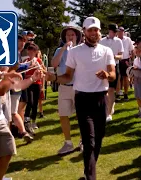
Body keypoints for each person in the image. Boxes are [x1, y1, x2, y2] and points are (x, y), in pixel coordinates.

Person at [46, 16, 116, 180]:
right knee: (88, 141)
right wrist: (54, 78)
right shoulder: (75, 52)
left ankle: (87, 172)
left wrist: (107, 74)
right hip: (82, 99)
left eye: (96, 30)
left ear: (99, 32)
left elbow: (113, 74)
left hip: (100, 99)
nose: (93, 33)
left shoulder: (107, 51)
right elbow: (68, 76)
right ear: (84, 32)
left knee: (98, 139)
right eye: (90, 30)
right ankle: (91, 177)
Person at [51, 26, 83, 155]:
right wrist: (63, 49)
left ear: (77, 37)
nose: (70, 37)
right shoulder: (60, 49)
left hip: (79, 87)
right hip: (64, 87)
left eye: (72, 35)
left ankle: (83, 141)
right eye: (68, 35)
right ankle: (68, 143)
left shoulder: (81, 50)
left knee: (81, 116)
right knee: (63, 114)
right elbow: (54, 64)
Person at [99, 23, 124, 122]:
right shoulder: (102, 41)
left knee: (111, 89)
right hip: (103, 66)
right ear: (109, 31)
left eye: (116, 32)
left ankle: (108, 113)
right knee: (104, 90)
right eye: (114, 31)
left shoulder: (118, 41)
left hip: (114, 65)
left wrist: (113, 56)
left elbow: (121, 55)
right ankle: (107, 108)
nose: (115, 33)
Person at [23, 44, 45, 130]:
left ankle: (33, 121)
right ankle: (26, 120)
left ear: (36, 52)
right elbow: (24, 74)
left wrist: (42, 86)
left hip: (37, 84)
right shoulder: (25, 61)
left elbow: (43, 72)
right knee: (30, 102)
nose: (30, 52)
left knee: (35, 103)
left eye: (32, 50)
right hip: (29, 84)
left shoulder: (38, 61)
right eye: (29, 50)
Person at [117, 26, 134, 100]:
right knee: (117, 78)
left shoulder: (127, 39)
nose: (120, 32)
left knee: (125, 77)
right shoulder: (115, 40)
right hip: (117, 60)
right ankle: (118, 93)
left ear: (124, 32)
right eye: (119, 31)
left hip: (125, 60)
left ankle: (126, 93)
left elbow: (132, 50)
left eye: (122, 31)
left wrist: (132, 60)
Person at [132, 46, 141, 118]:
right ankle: (140, 111)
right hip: (136, 79)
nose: (136, 53)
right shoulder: (135, 60)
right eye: (135, 51)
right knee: (137, 96)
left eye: (137, 51)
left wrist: (137, 69)